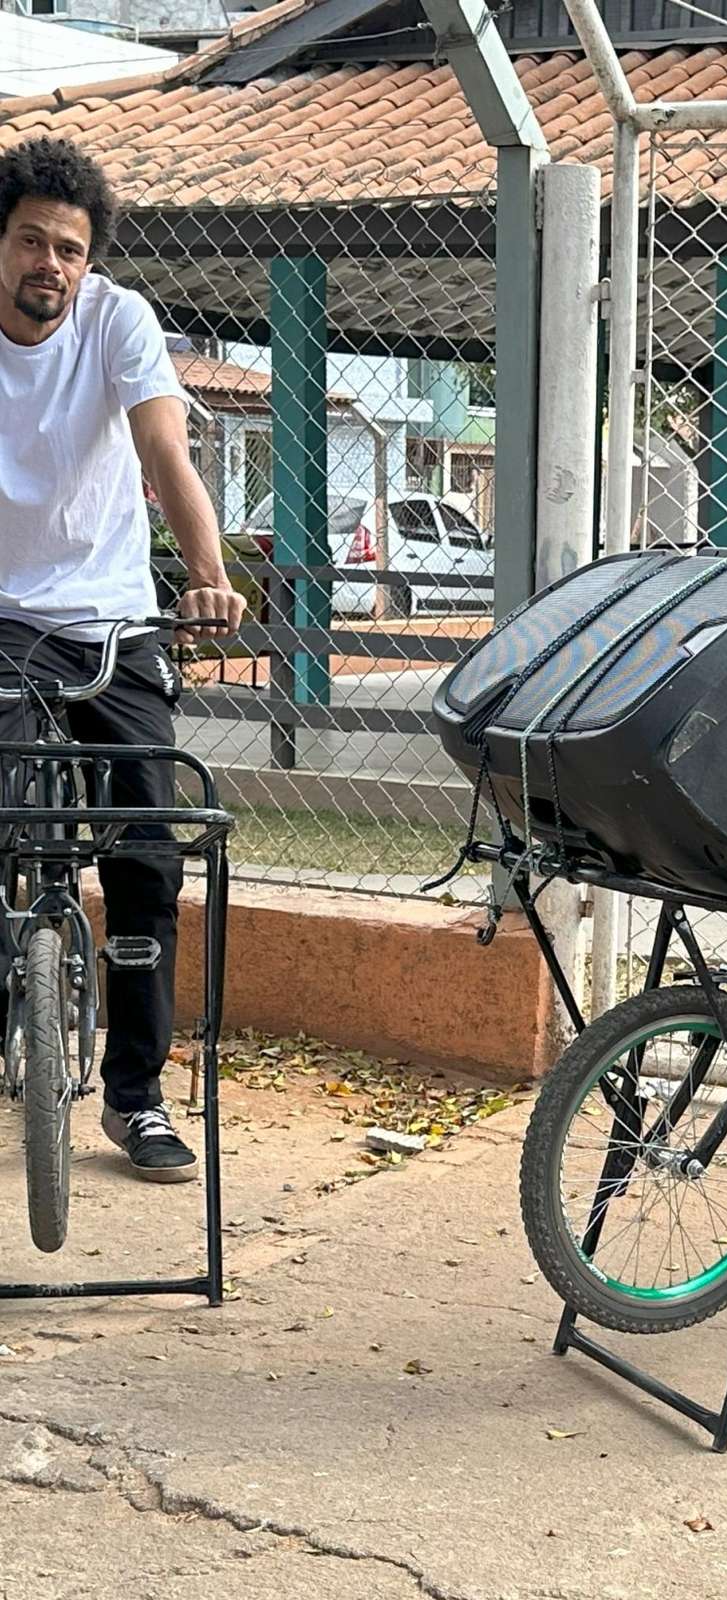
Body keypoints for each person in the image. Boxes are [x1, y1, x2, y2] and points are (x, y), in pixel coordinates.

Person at [0, 136, 245, 1180]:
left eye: (70, 247)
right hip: (2, 617)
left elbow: (162, 454)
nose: (49, 263)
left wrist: (207, 569)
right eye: (29, 241)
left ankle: (137, 1097)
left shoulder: (118, 322)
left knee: (146, 853)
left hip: (112, 621)